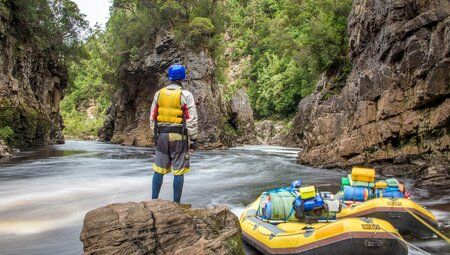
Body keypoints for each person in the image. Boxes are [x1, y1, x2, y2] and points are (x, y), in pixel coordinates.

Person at [150, 63, 198, 203]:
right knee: (179, 170)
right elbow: (192, 119)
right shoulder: (186, 95)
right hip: (179, 136)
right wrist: (193, 140)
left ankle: (153, 201)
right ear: (183, 78)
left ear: (169, 77)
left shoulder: (159, 94)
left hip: (162, 135)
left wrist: (155, 136)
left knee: (159, 168)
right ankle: (176, 203)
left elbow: (153, 117)